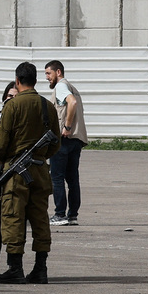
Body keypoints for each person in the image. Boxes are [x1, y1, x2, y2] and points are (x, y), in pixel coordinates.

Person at [0, 62, 61, 284]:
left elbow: (0, 144)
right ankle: (40, 268)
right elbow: (56, 143)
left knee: (13, 216)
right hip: (40, 171)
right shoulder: (46, 106)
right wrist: (40, 157)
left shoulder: (12, 106)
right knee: (40, 218)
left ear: (17, 81)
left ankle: (15, 268)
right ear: (35, 80)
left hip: (16, 172)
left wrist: (5, 158)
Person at [46, 61, 86, 226]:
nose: (47, 78)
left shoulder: (61, 87)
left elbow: (72, 103)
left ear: (58, 72)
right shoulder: (72, 87)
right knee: (72, 179)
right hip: (76, 141)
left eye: (49, 73)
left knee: (57, 178)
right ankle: (72, 215)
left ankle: (60, 214)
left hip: (64, 139)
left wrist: (67, 127)